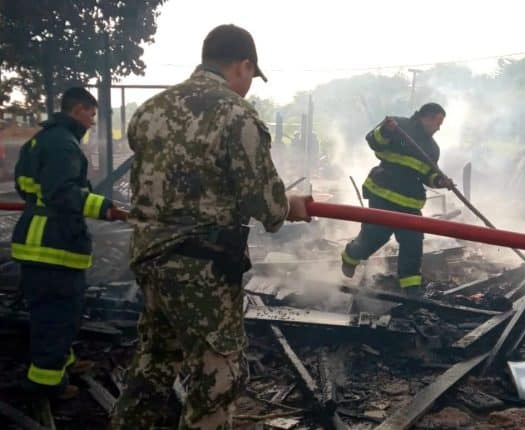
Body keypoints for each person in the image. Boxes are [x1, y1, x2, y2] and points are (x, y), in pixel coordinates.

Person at [111, 24, 311, 429]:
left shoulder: (151, 111)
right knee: (218, 381)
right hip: (202, 271)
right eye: (251, 77)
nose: (248, 87)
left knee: (155, 362)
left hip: (150, 259)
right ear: (243, 65)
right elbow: (266, 204)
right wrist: (290, 206)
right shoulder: (235, 114)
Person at [12, 87, 119, 398]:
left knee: (53, 312)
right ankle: (47, 384)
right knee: (58, 315)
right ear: (77, 110)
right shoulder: (64, 146)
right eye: (91, 114)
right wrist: (106, 208)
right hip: (53, 245)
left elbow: (24, 185)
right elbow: (62, 193)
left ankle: (63, 362)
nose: (91, 122)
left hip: (36, 241)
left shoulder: (41, 140)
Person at [341, 103, 453, 294]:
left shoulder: (432, 148)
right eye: (437, 123)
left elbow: (428, 175)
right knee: (375, 236)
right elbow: (373, 141)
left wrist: (440, 181)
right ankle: (350, 256)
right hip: (383, 194)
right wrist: (385, 130)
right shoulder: (398, 126)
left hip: (410, 202)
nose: (438, 128)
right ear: (426, 117)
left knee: (413, 242)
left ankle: (411, 288)